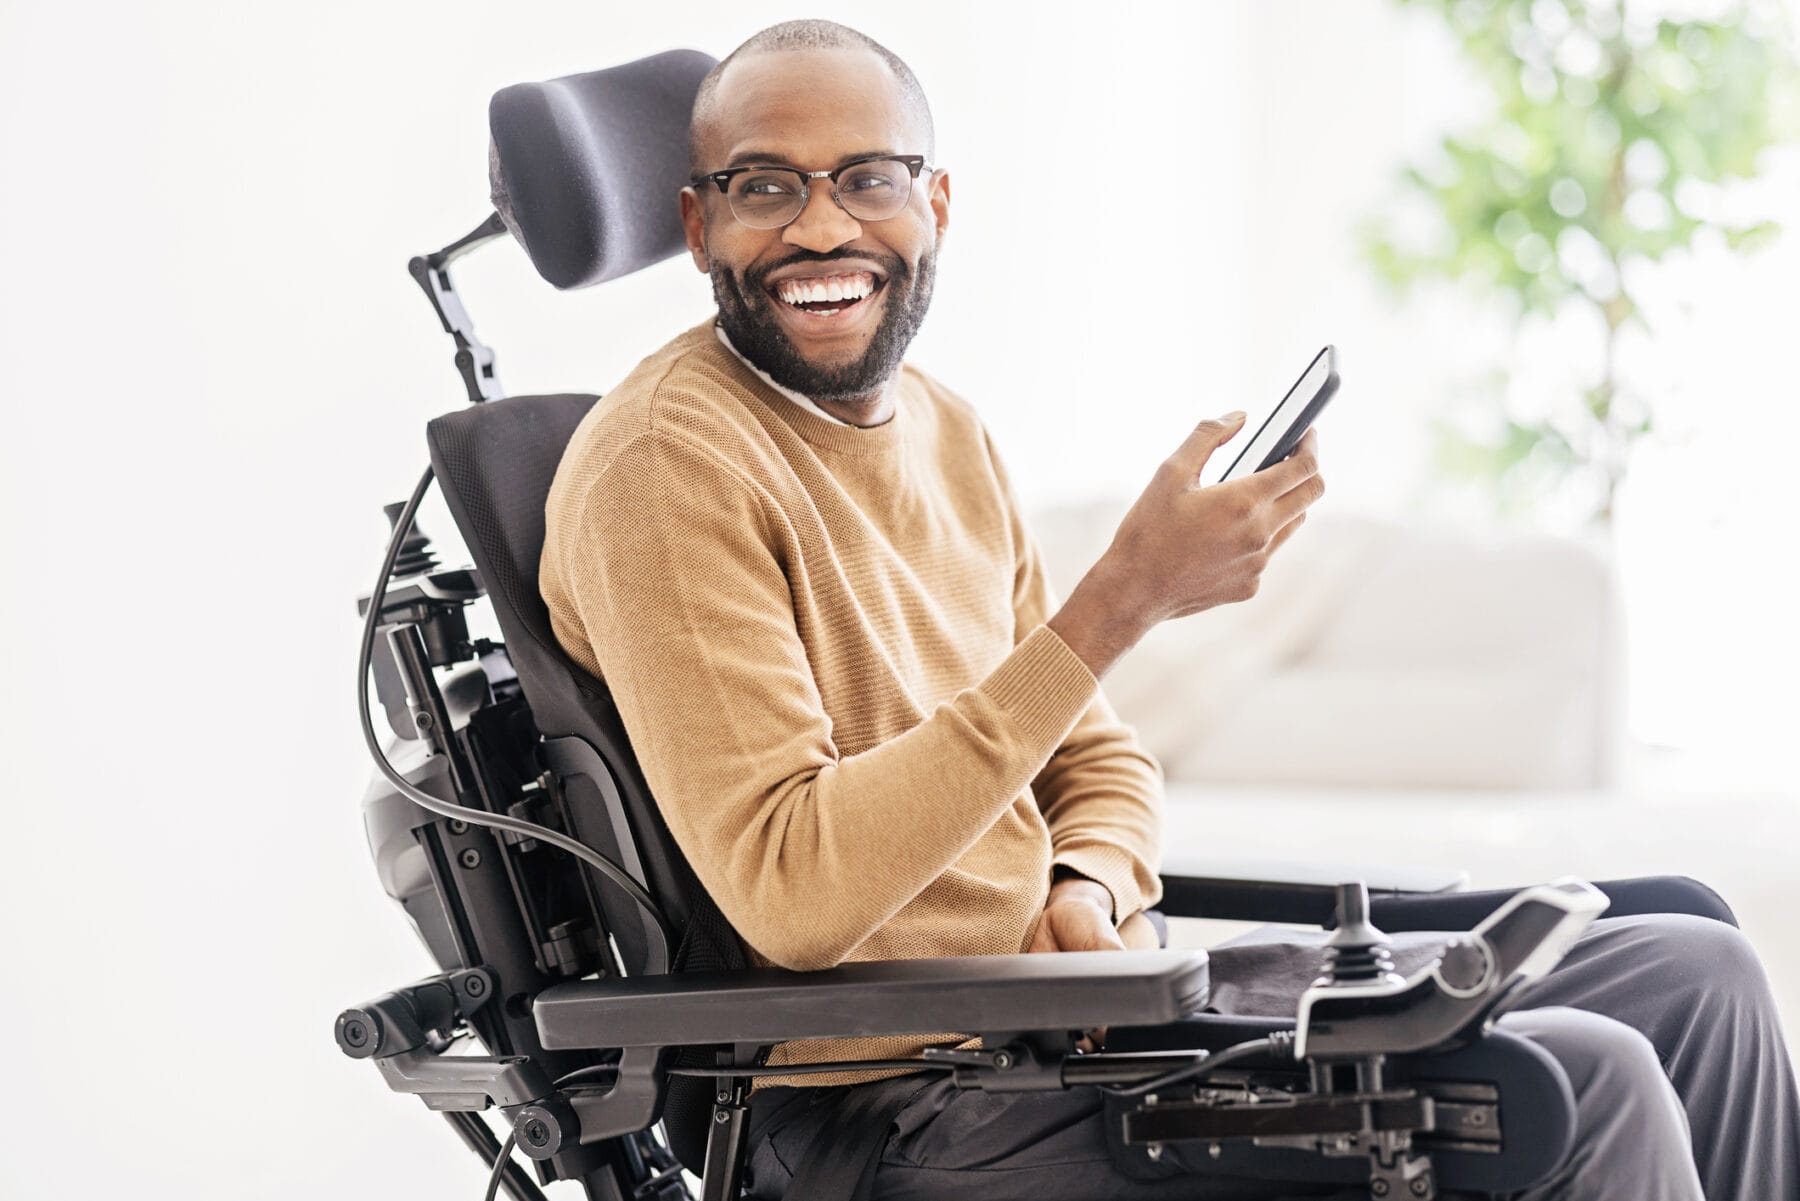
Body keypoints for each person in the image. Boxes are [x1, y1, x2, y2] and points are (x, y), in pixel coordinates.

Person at [537, 18, 1800, 1200]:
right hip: (903, 1093)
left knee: (1698, 971)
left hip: (1084, 1010)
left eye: (866, 177)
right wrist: (1121, 601)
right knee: (1583, 1079)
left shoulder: (946, 428)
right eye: (767, 187)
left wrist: (1088, 879)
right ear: (700, 226)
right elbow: (794, 892)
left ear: (935, 205)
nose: (822, 228)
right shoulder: (666, 466)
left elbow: (1093, 752)